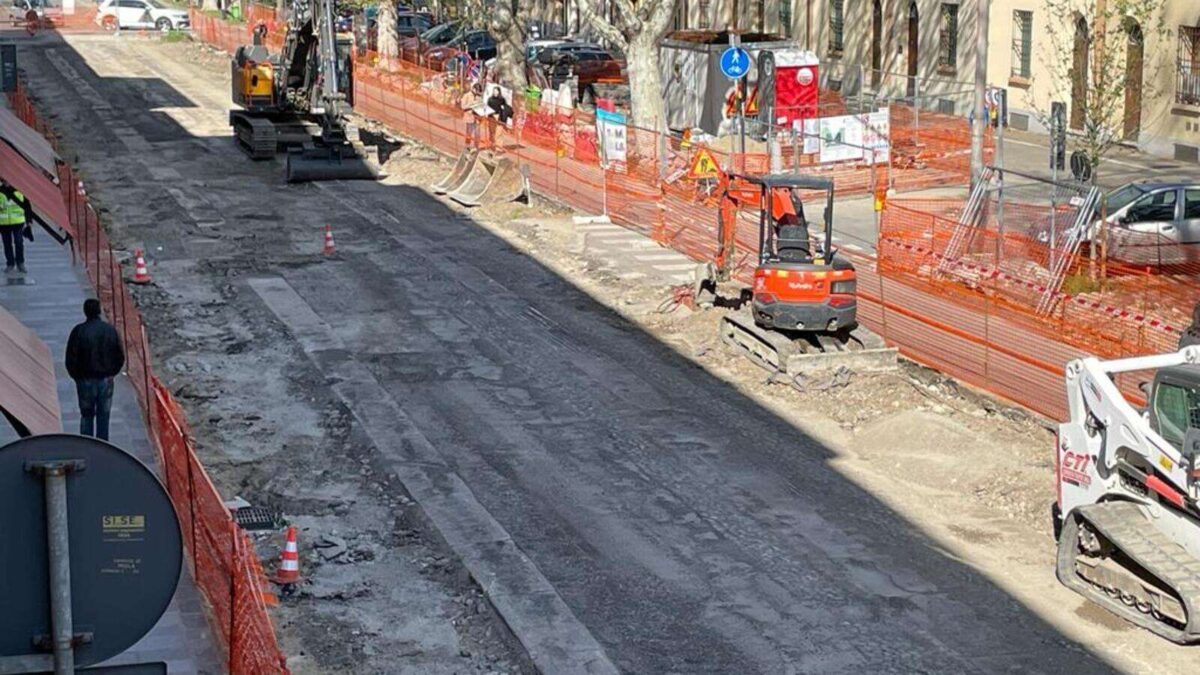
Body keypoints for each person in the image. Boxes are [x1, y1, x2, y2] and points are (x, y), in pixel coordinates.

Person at [65, 299, 125, 441]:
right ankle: (103, 444)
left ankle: (87, 443)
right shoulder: (109, 330)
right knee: (104, 415)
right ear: (99, 311)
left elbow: (70, 358)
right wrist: (112, 373)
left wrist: (77, 377)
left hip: (85, 379)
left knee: (86, 415)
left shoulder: (79, 331)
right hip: (105, 378)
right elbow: (119, 355)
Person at [0, 181, 32, 275]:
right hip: (3, 223)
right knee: (7, 244)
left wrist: (29, 221)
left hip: (18, 222)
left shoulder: (20, 190)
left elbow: (27, 206)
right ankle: (10, 263)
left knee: (19, 242)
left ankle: (20, 262)